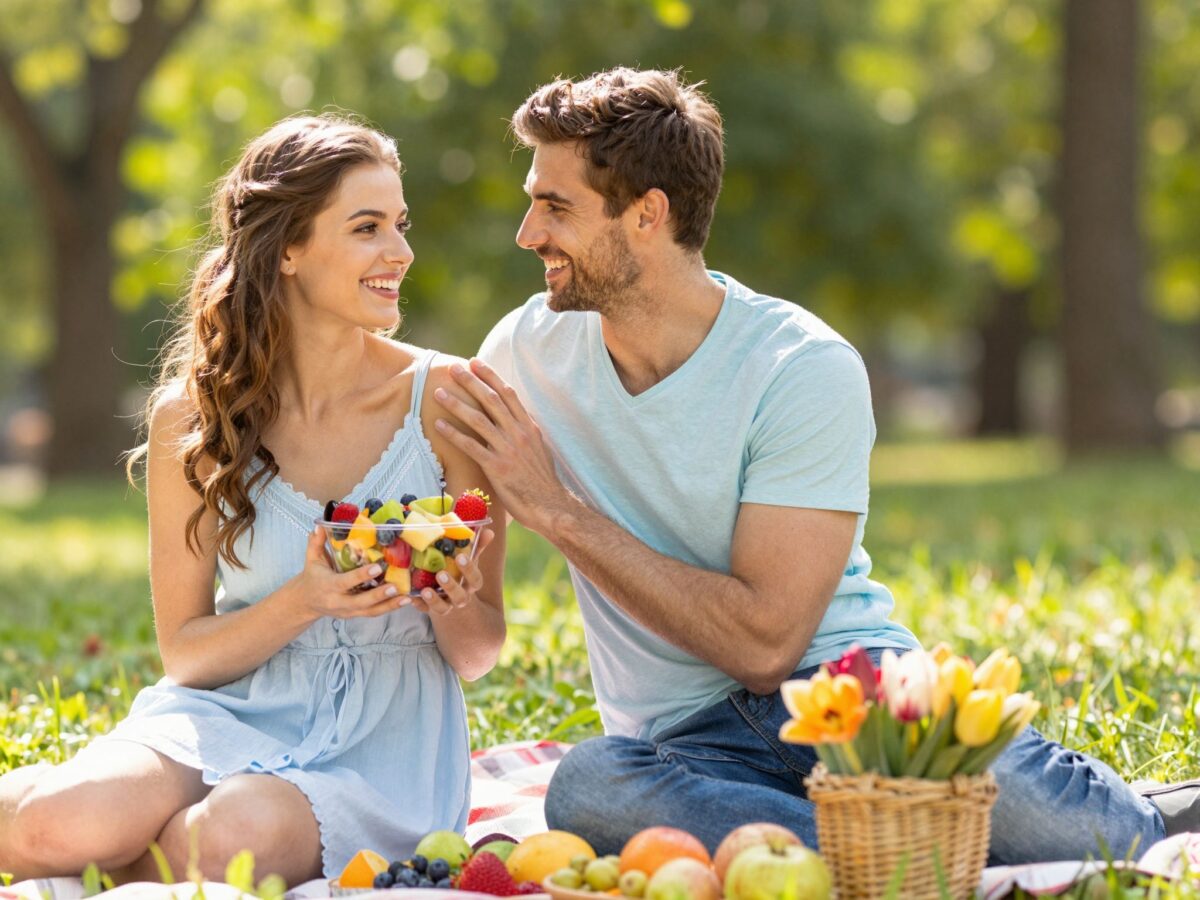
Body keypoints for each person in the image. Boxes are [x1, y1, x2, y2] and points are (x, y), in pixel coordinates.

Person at [430, 67, 1200, 863]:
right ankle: (896, 847)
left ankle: (1088, 815)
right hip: (682, 744)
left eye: (554, 206)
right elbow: (418, 418)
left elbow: (767, 645)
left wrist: (556, 511)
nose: (527, 234)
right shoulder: (525, 353)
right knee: (588, 789)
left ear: (647, 214)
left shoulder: (800, 366)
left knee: (1089, 836)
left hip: (846, 690)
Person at [0, 114, 506, 886]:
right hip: (225, 710)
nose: (400, 252)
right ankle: (79, 837)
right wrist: (305, 599)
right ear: (290, 250)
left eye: (400, 225)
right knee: (60, 820)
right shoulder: (192, 414)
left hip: (383, 745)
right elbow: (187, 653)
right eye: (367, 228)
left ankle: (113, 856)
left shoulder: (446, 399)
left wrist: (450, 598)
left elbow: (479, 653)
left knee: (228, 838)